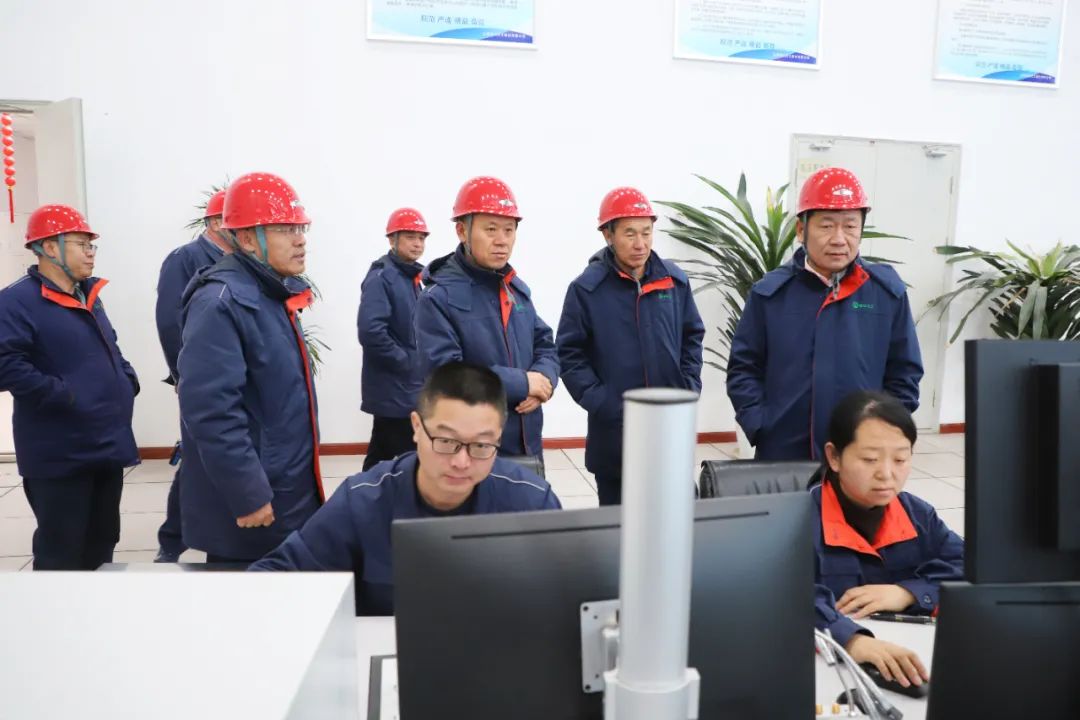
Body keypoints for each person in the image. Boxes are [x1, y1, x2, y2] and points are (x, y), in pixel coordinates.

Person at [250, 362, 561, 615]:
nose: (461, 462)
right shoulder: (362, 501)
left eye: (481, 445)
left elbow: (568, 594)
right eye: (446, 441)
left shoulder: (532, 502)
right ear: (416, 427)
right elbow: (273, 579)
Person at [726, 167, 923, 461]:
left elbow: (905, 373)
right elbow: (744, 368)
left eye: (850, 226)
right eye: (827, 226)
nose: (839, 239)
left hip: (861, 452)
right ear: (801, 230)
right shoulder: (770, 294)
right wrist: (760, 425)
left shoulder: (885, 293)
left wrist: (885, 431)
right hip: (784, 450)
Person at [177, 172, 323, 563]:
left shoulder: (270, 294)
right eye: (285, 229)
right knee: (247, 592)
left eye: (300, 228)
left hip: (286, 490)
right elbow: (211, 411)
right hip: (256, 503)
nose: (300, 239)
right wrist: (247, 493)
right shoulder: (220, 303)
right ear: (246, 239)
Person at [0, 204, 139, 569]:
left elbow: (109, 346)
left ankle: (96, 605)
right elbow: (6, 365)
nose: (91, 253)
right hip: (59, 452)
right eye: (82, 244)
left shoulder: (88, 295)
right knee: (62, 550)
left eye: (92, 245)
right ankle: (53, 607)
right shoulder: (16, 302)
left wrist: (127, 379)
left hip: (104, 443)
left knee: (102, 541)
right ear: (49, 247)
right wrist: (65, 396)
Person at [557, 187, 704, 504]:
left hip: (669, 424)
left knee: (679, 513)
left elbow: (692, 336)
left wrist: (688, 386)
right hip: (615, 432)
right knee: (619, 521)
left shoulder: (673, 281)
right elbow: (569, 354)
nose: (640, 244)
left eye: (646, 232)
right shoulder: (587, 290)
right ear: (608, 235)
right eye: (629, 234)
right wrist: (603, 402)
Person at [813, 389, 963, 689]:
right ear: (834, 457)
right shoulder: (798, 523)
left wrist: (907, 592)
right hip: (828, 670)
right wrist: (851, 639)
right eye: (870, 459)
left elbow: (971, 564)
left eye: (900, 459)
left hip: (911, 657)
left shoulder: (918, 515)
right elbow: (782, 600)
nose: (886, 474)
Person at [414, 177, 559, 466]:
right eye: (490, 229)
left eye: (509, 230)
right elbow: (447, 375)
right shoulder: (438, 299)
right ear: (462, 231)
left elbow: (545, 343)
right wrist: (522, 383)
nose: (501, 240)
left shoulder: (513, 289)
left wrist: (543, 381)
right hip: (473, 453)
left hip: (528, 443)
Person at [152, 188, 232, 562]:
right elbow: (170, 321)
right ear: (214, 223)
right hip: (199, 375)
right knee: (197, 454)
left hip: (228, 374)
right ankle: (172, 541)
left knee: (211, 454)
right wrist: (181, 373)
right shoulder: (185, 259)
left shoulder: (238, 260)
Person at [358, 207, 427, 471]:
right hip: (394, 388)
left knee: (387, 452)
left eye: (421, 237)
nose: (417, 243)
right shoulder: (382, 277)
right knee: (393, 455)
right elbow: (371, 332)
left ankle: (367, 493)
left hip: (407, 387)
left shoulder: (411, 277)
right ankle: (368, 493)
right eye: (410, 237)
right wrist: (408, 362)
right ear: (392, 239)